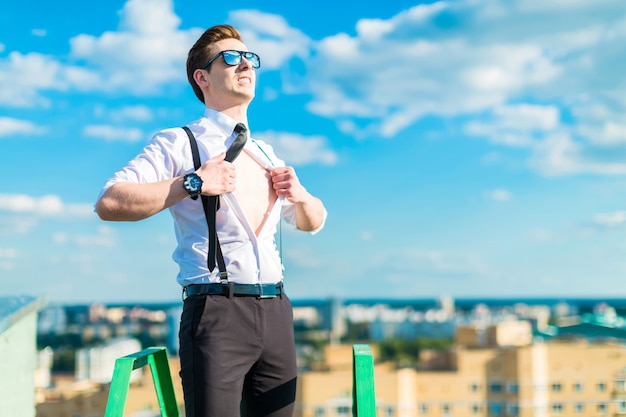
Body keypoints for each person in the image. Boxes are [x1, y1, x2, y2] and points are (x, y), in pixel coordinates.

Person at [95, 24, 327, 417]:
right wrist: (194, 182)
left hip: (276, 309)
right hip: (217, 311)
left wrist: (300, 194)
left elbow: (311, 222)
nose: (245, 65)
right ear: (202, 77)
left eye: (250, 58)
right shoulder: (179, 142)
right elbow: (110, 202)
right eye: (231, 58)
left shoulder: (266, 153)